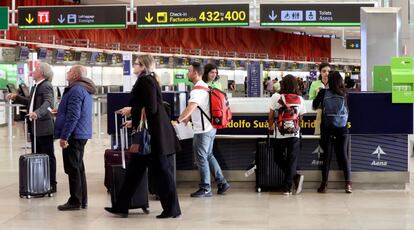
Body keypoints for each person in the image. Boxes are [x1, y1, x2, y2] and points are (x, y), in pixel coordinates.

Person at [105, 54, 182, 219]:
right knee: (135, 171)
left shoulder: (145, 81)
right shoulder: (149, 80)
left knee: (163, 173)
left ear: (143, 66)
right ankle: (121, 206)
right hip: (153, 134)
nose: (134, 66)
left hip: (155, 138)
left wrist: (130, 110)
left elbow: (151, 108)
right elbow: (149, 110)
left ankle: (172, 209)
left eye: (137, 63)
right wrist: (134, 121)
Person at [177, 62, 230, 198]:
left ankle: (205, 188)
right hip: (211, 127)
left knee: (201, 158)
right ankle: (222, 182)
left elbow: (191, 107)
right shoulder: (205, 87)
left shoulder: (197, 90)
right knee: (208, 155)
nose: (187, 73)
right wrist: (188, 118)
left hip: (203, 130)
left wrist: (180, 119)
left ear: (195, 73)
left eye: (189, 71)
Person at [7, 62, 57, 193]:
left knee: (48, 155)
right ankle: (40, 181)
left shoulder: (46, 86)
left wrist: (37, 113)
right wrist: (16, 97)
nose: (32, 71)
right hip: (35, 127)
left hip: (44, 127)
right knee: (37, 155)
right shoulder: (36, 86)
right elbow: (31, 102)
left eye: (35, 69)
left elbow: (48, 103)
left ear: (41, 72)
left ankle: (52, 183)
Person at [55, 65, 95, 211]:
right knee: (78, 167)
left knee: (72, 168)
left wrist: (64, 136)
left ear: (75, 75)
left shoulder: (76, 90)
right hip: (80, 133)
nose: (67, 72)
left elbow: (74, 115)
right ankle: (82, 200)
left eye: (70, 71)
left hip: (74, 134)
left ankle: (75, 201)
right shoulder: (83, 88)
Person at [312, 71, 352, 194]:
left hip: (327, 126)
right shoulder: (345, 93)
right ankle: (348, 184)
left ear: (329, 80)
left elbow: (314, 105)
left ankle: (324, 185)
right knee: (343, 156)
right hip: (342, 127)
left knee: (327, 156)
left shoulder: (324, 92)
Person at [268, 75, 306, 195]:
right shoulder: (300, 98)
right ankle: (290, 184)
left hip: (280, 133)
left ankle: (289, 184)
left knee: (278, 158)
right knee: (292, 160)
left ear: (282, 84)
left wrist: (270, 126)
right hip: (294, 134)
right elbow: (301, 117)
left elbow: (270, 114)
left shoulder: (276, 96)